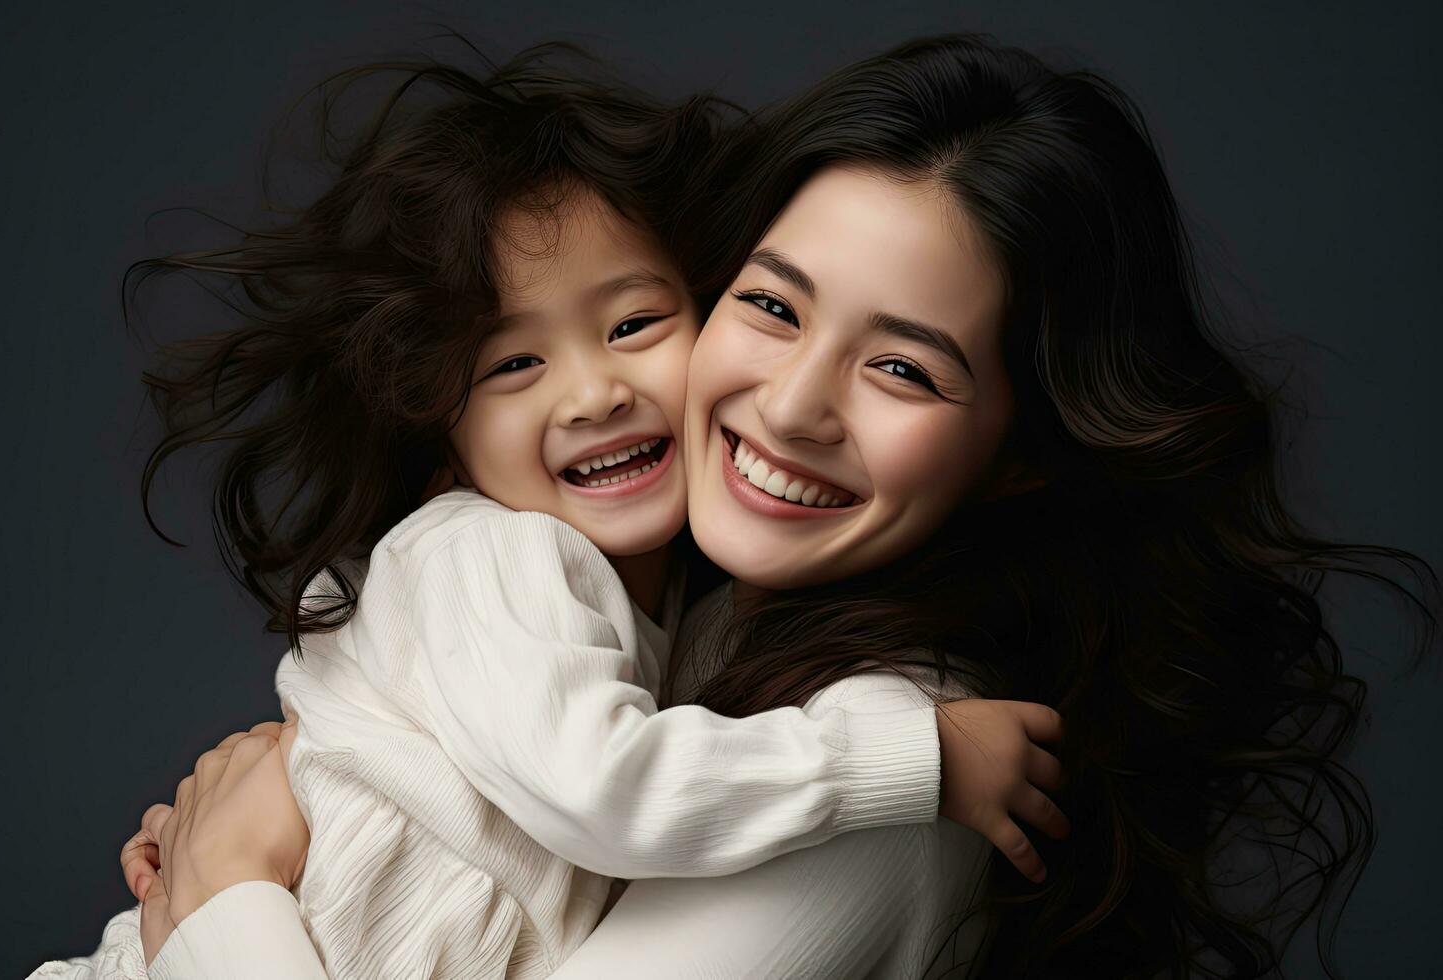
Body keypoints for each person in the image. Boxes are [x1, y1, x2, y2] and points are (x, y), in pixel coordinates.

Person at [105, 33, 1438, 978]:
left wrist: (224, 902)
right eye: (771, 304)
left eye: (903, 366)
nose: (793, 404)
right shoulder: (634, 612)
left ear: (1023, 448)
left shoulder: (897, 760)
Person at [27, 43, 1069, 980]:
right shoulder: (501, 555)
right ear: (443, 423)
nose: (593, 392)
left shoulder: (840, 709)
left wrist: (222, 894)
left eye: (634, 321)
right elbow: (604, 786)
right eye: (773, 305)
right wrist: (916, 761)